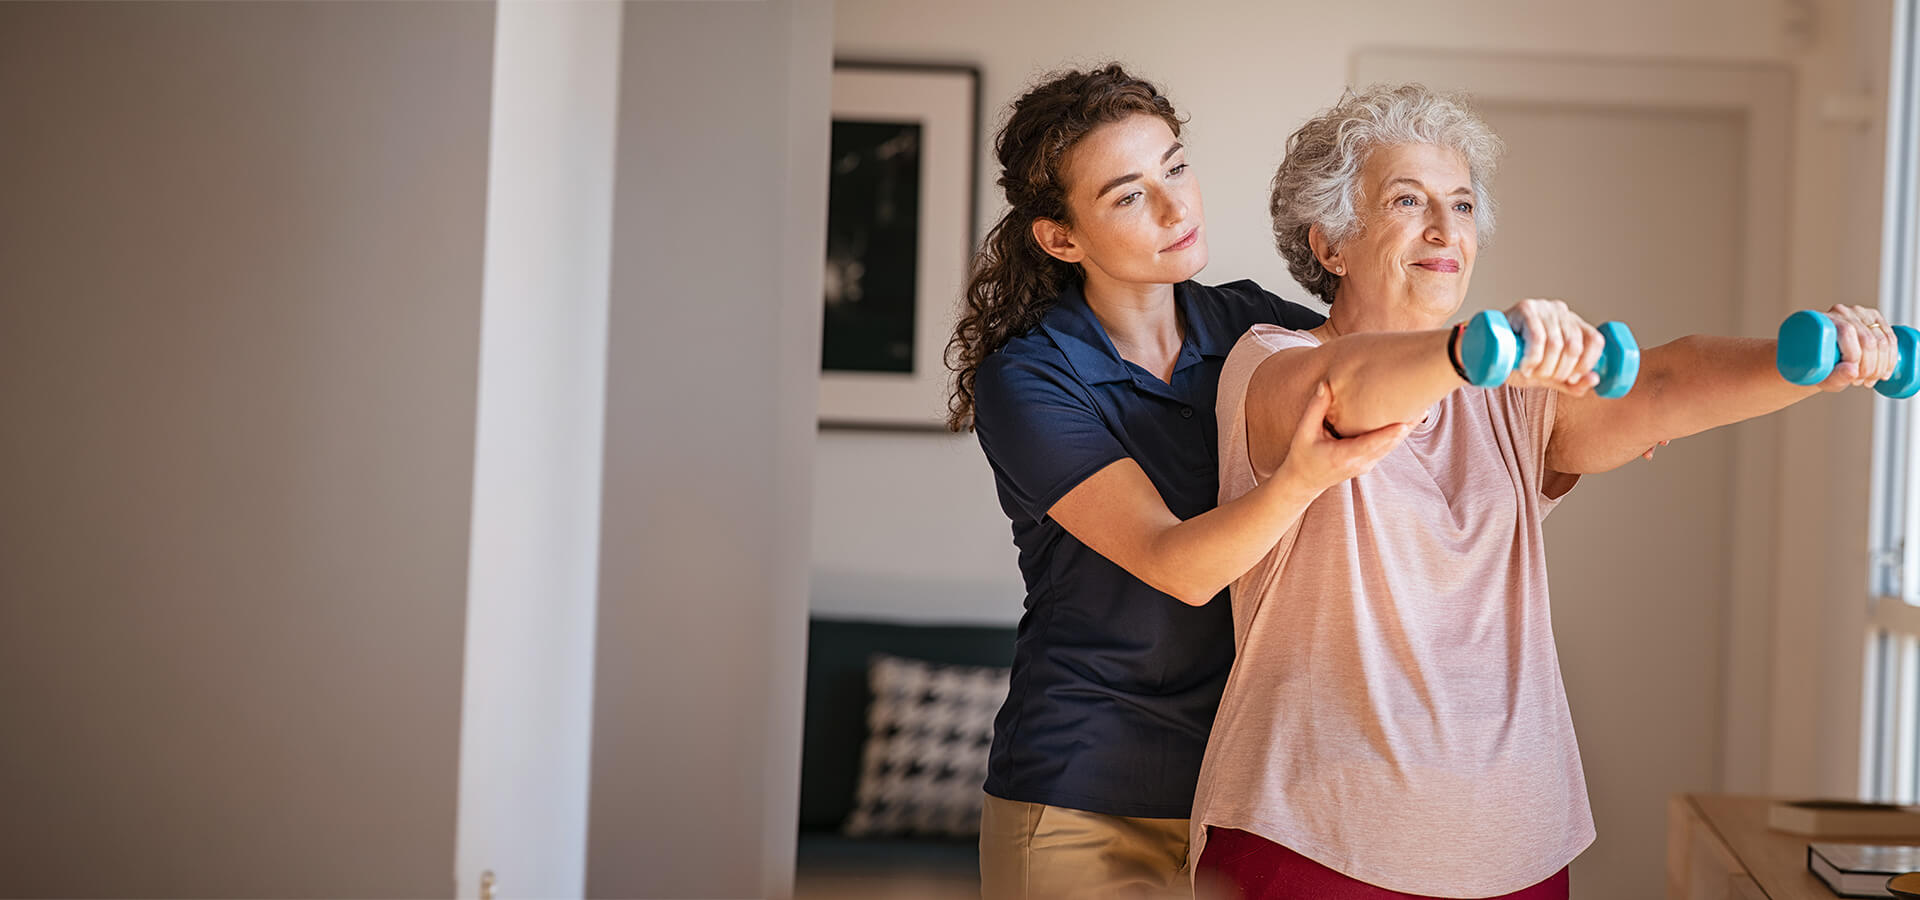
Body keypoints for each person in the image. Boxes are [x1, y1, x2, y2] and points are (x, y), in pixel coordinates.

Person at [1186, 83, 1899, 900]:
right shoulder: (1271, 361)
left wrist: (1809, 361)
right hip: (1313, 839)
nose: (1444, 229)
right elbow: (1345, 394)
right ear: (1330, 245)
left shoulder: (1508, 393)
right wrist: (1478, 350)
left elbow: (1663, 380)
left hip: (1515, 849)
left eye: (1460, 204)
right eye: (1407, 200)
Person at [946, 65, 1410, 899]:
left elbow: (1381, 379)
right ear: (1061, 238)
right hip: (1083, 795)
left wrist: (1545, 426)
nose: (1174, 206)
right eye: (1128, 196)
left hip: (1239, 789)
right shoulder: (1031, 379)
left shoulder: (1251, 325)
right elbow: (1179, 566)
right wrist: (1301, 477)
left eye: (1175, 167)